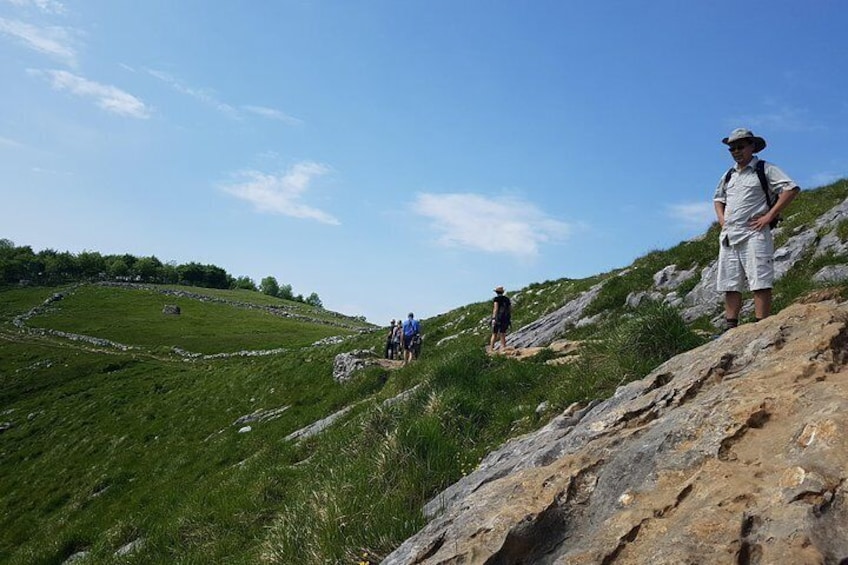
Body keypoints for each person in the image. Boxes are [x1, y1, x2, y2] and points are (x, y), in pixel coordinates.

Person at [713, 128, 800, 330]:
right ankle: (730, 327)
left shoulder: (764, 168)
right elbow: (718, 199)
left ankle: (761, 326)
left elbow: (791, 188)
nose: (736, 151)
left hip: (755, 233)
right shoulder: (729, 175)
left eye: (740, 146)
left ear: (752, 146)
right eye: (732, 148)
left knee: (760, 280)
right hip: (730, 236)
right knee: (730, 283)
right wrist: (722, 220)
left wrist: (770, 216)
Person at [490, 286, 511, 351]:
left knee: (494, 334)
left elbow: (495, 309)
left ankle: (491, 349)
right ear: (503, 292)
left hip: (498, 318)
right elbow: (510, 308)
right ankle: (503, 347)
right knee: (503, 333)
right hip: (505, 318)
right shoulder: (507, 299)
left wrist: (493, 318)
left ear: (496, 292)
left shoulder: (496, 299)